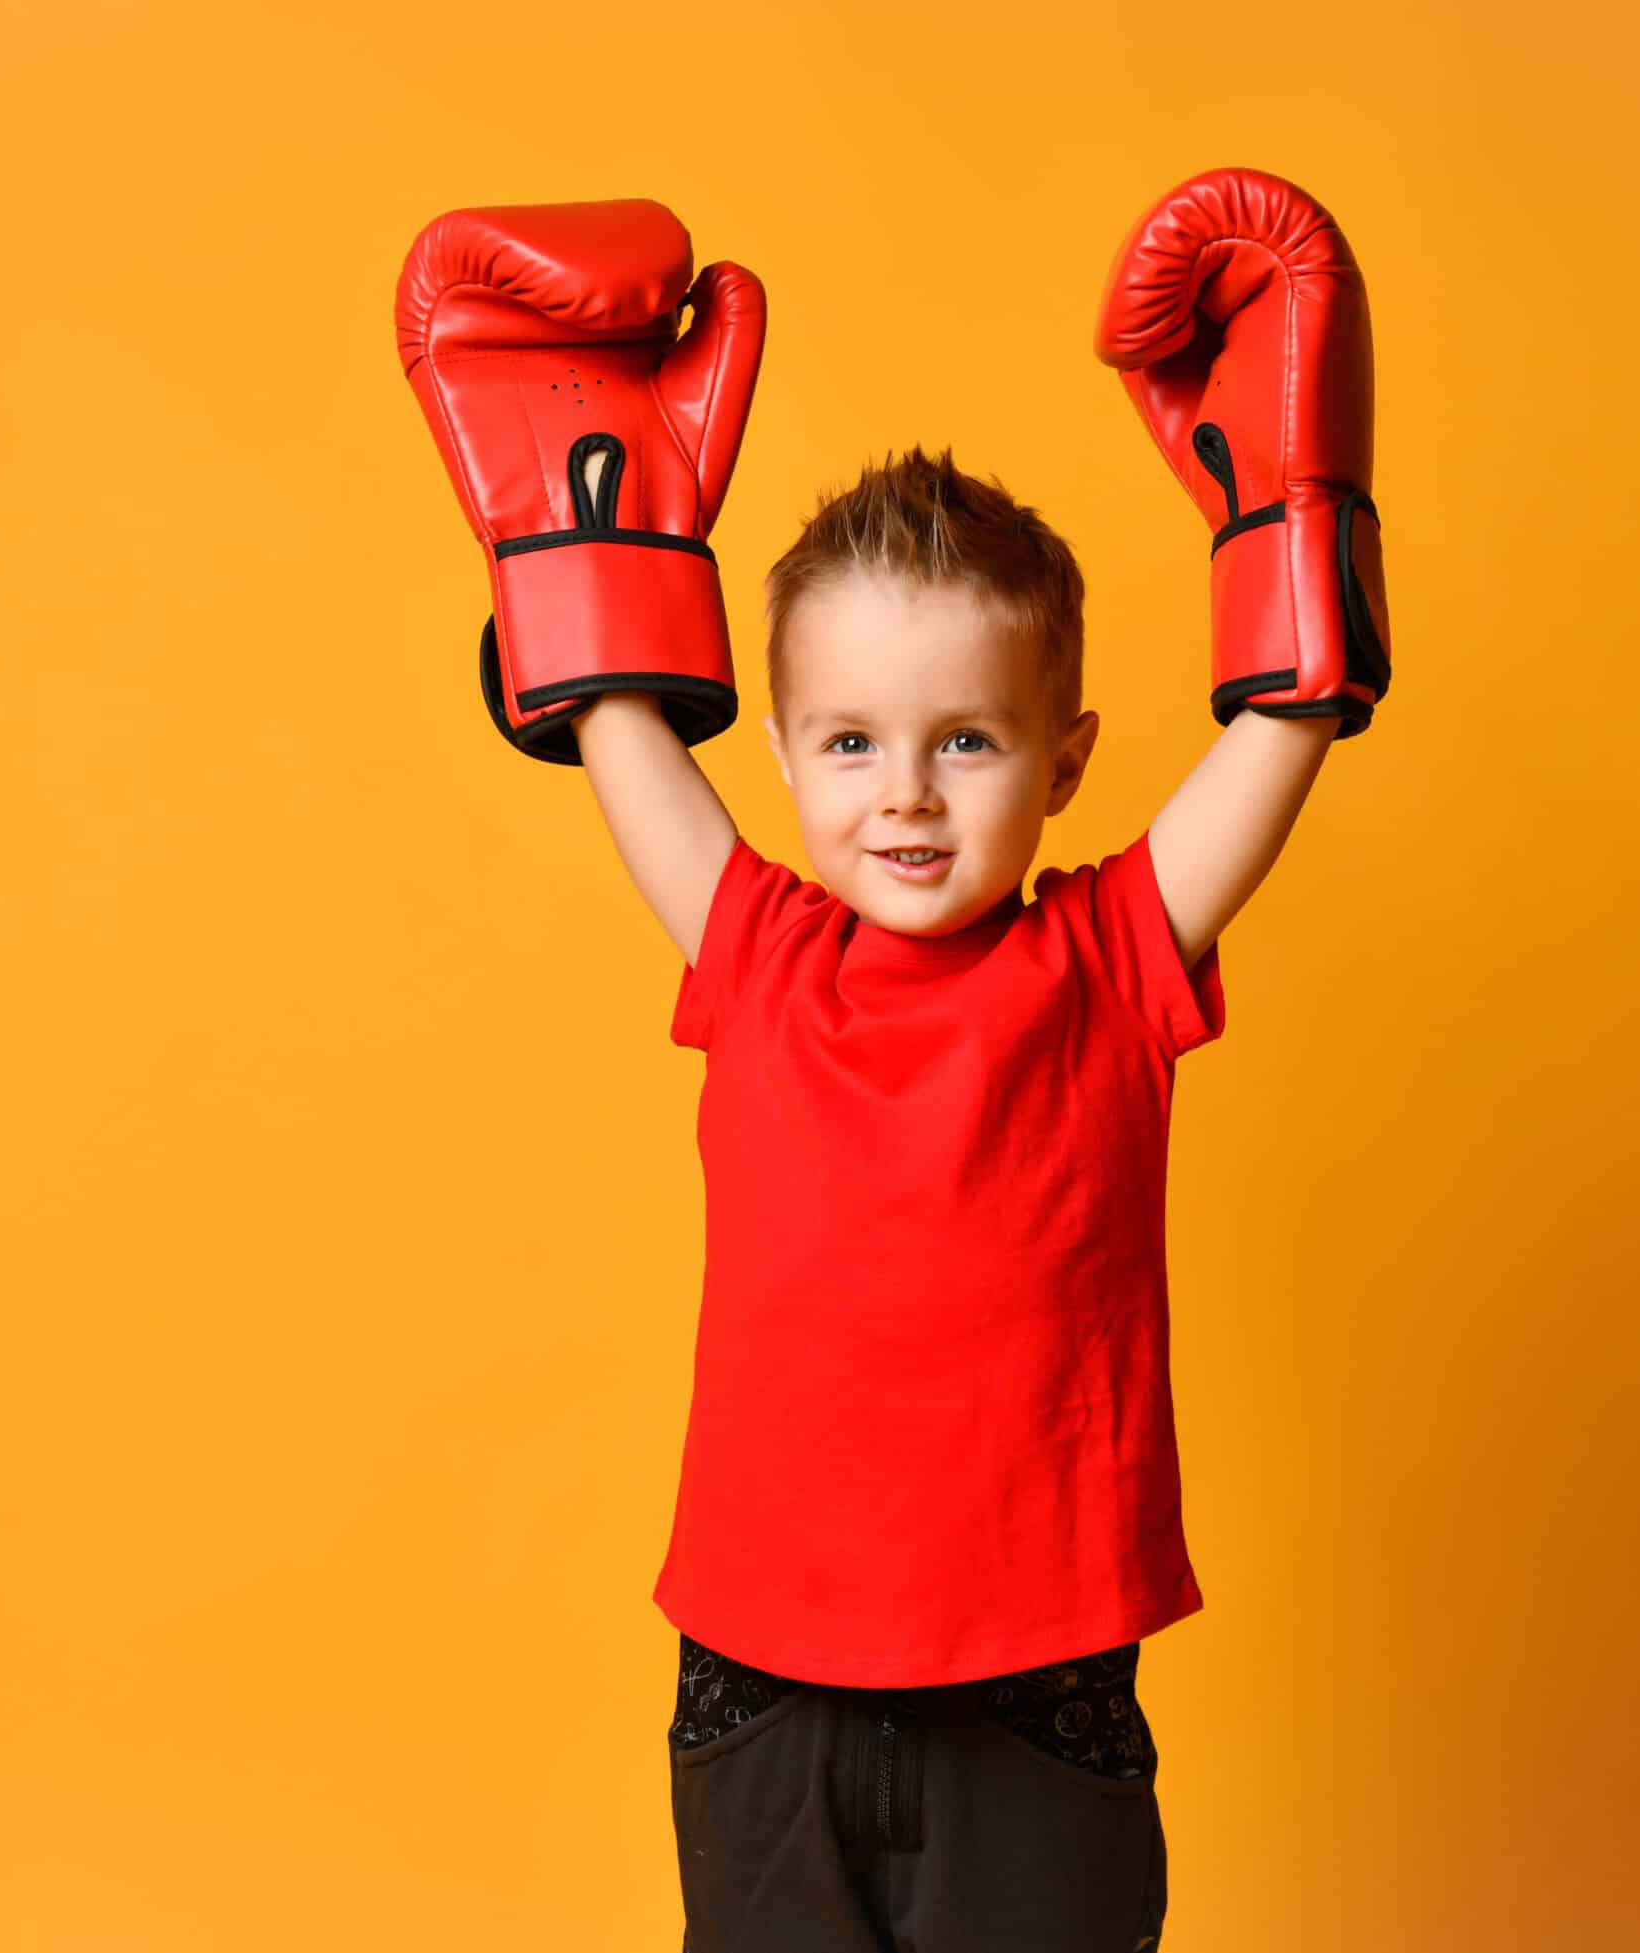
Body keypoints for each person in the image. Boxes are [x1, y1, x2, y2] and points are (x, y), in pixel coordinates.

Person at [397, 170, 1390, 1953]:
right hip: (763, 1700)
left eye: (968, 739)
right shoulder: (759, 944)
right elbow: (618, 727)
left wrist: (1297, 514)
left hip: (1037, 1704)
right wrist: (578, 534)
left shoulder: (1112, 957)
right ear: (778, 748)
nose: (908, 793)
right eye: (851, 740)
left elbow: (1285, 723)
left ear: (1068, 756)